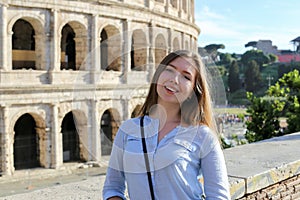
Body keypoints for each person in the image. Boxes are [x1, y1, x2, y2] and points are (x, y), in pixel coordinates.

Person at [102, 50, 230, 199]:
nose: (174, 79)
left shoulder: (203, 136)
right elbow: (112, 188)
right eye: (169, 70)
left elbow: (219, 196)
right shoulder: (128, 130)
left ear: (193, 90)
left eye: (186, 76)